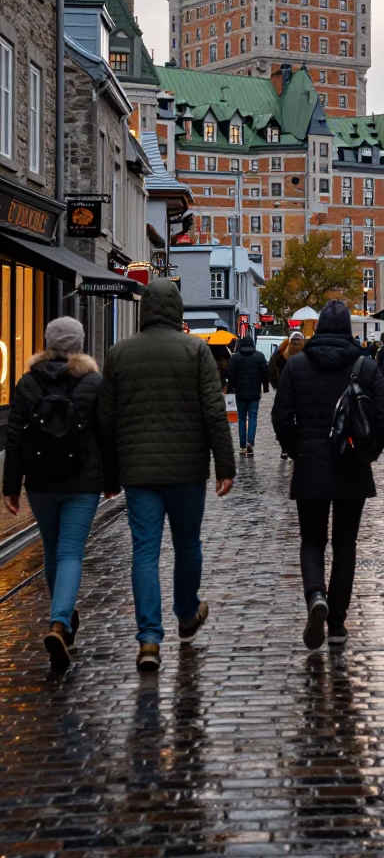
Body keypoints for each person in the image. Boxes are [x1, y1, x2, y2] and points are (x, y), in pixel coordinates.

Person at [98, 279, 236, 672]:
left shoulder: (119, 354)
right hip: (187, 470)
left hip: (139, 473)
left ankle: (148, 639)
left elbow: (106, 422)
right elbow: (214, 411)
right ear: (177, 310)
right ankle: (187, 615)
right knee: (187, 545)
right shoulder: (195, 350)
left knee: (145, 551)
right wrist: (224, 466)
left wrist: (110, 477)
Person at [271, 300, 384, 650]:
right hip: (352, 467)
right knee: (345, 545)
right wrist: (366, 454)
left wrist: (299, 450)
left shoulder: (296, 366)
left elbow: (281, 418)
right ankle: (337, 622)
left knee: (311, 541)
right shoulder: (365, 367)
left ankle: (315, 597)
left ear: (319, 328)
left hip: (310, 467)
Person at [2, 317, 110, 669]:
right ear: (79, 345)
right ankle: (60, 622)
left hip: (40, 481)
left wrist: (10, 487)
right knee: (70, 553)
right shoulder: (93, 381)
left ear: (48, 343)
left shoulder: (27, 382)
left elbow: (15, 436)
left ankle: (61, 615)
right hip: (82, 481)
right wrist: (113, 478)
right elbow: (106, 433)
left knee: (52, 550)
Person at [227, 335, 269, 456]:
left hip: (240, 392)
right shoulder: (259, 356)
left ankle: (242, 446)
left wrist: (231, 389)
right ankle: (250, 443)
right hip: (255, 392)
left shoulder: (235, 358)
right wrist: (265, 387)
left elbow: (231, 375)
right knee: (253, 418)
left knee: (241, 419)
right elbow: (265, 373)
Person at [269, 333, 305, 458]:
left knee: (285, 418)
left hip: (284, 390)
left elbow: (271, 369)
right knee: (301, 419)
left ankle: (286, 448)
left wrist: (276, 385)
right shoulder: (305, 355)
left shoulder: (280, 355)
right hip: (301, 391)